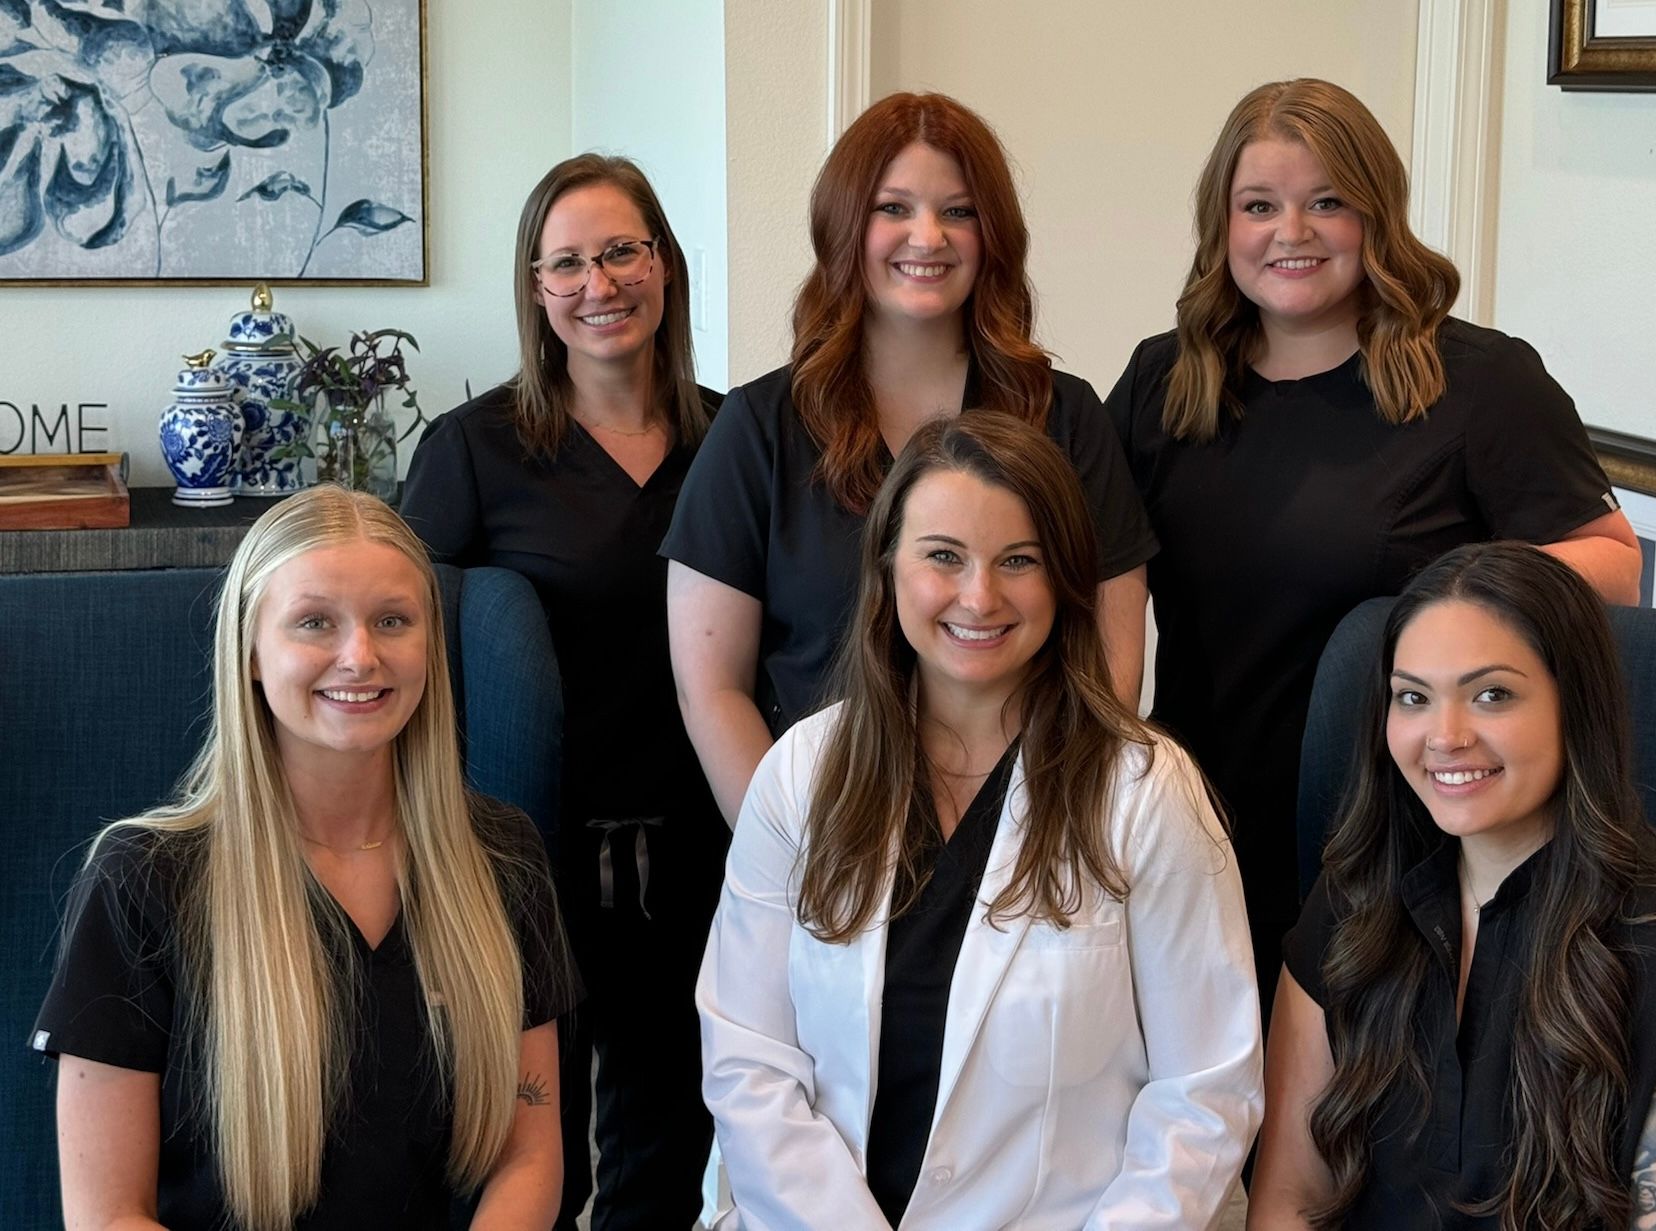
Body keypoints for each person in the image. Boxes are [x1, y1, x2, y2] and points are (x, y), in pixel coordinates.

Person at [1106, 78, 1642, 1009]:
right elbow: (1088, 572)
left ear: (1376, 215)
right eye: (1258, 206)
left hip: (1410, 828)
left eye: (1327, 203)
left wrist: (1443, 614)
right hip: (1200, 825)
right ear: (1220, 225)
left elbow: (1615, 566)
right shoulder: (1166, 380)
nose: (1292, 232)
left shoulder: (1478, 380)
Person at [698, 411, 1262, 1229]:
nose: (979, 596)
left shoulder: (1145, 788)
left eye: (1018, 561)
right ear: (888, 566)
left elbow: (1205, 1090)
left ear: (1065, 578)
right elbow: (749, 1059)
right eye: (943, 557)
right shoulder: (801, 773)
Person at [33, 486, 578, 1231]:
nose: (360, 655)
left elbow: (529, 1152)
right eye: (315, 622)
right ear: (251, 654)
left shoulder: (502, 857)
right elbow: (106, 1216)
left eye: (393, 620)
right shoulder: (141, 880)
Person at [1247, 542, 1656, 1231]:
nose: (1443, 735)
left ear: (1575, 706)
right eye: (1412, 697)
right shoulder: (1354, 898)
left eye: (1491, 694)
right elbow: (1289, 1201)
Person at [664, 91, 1157, 826]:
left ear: (993, 234)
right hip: (826, 834)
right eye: (891, 208)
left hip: (1029, 836)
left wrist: (1047, 832)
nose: (927, 237)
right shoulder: (758, 427)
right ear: (843, 226)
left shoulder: (1069, 417)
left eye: (958, 211)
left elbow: (1110, 666)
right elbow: (711, 686)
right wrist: (788, 856)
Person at [398, 154, 725, 1230]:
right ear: (536, 290)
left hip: (705, 853)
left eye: (622, 251)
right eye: (568, 262)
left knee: (668, 1150)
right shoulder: (475, 452)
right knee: (530, 1161)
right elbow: (407, 652)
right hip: (527, 863)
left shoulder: (737, 441)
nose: (601, 283)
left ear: (665, 266)